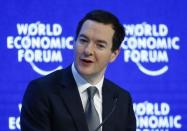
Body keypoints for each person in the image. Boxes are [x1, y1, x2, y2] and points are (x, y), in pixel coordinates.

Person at [20, 9, 136, 131]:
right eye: (83, 40)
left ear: (114, 54)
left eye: (100, 45)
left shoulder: (121, 100)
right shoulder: (42, 91)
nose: (88, 50)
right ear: (74, 42)